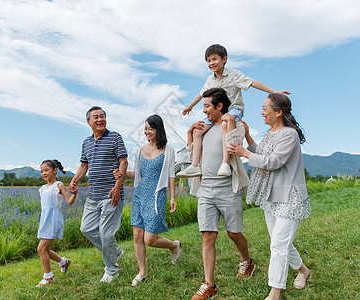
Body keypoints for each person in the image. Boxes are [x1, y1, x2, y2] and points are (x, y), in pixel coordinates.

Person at [228, 93, 312, 300]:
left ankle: (275, 293)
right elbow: (262, 152)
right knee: (278, 241)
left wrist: (244, 154)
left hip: (289, 196)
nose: (262, 112)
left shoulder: (289, 134)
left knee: (278, 245)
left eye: (265, 108)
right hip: (272, 195)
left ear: (278, 112)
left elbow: (274, 161)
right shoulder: (270, 133)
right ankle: (303, 270)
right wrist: (247, 137)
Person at [178, 43, 290, 178]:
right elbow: (202, 94)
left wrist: (274, 91)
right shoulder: (210, 80)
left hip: (233, 109)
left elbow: (252, 83)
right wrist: (190, 106)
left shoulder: (234, 75)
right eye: (208, 61)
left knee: (227, 121)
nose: (211, 63)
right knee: (198, 130)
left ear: (224, 59)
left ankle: (225, 163)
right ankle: (195, 165)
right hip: (215, 112)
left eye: (214, 59)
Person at [189, 88, 255, 300]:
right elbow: (192, 154)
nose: (204, 110)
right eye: (203, 106)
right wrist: (190, 133)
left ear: (219, 106)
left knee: (233, 233)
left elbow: (236, 144)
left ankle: (247, 261)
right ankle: (209, 285)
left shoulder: (230, 124)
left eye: (207, 106)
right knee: (207, 236)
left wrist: (233, 123)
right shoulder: (204, 128)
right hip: (206, 188)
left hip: (228, 187)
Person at [113, 114, 181, 287]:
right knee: (137, 235)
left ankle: (173, 246)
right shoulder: (140, 150)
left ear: (159, 129)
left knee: (150, 239)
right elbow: (137, 174)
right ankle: (142, 272)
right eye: (145, 129)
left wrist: (173, 197)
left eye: (151, 128)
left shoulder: (168, 150)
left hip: (157, 195)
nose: (147, 132)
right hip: (140, 195)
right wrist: (123, 174)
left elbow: (171, 175)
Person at [69, 106, 128, 283]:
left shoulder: (115, 137)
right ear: (89, 122)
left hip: (111, 193)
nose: (100, 119)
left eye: (103, 116)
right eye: (96, 117)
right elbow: (83, 166)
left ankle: (111, 270)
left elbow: (123, 162)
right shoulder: (86, 142)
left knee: (106, 234)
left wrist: (118, 186)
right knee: (86, 229)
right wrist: (74, 181)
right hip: (93, 195)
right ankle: (114, 251)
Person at [36, 159, 77, 287]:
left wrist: (74, 194)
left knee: (41, 248)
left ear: (55, 170)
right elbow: (44, 207)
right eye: (42, 171)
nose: (44, 173)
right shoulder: (42, 189)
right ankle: (63, 261)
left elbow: (69, 201)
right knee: (46, 249)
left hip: (54, 219)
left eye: (46, 170)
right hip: (45, 219)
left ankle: (48, 276)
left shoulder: (58, 185)